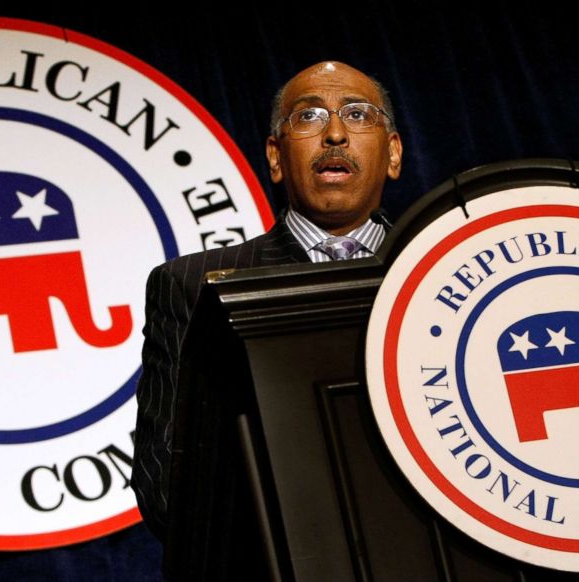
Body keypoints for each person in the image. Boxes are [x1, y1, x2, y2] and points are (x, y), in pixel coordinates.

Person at [131, 61, 404, 543]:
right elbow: (167, 486)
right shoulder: (193, 286)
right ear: (275, 158)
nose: (336, 134)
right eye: (309, 117)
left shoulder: (451, 267)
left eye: (359, 115)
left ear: (394, 153)